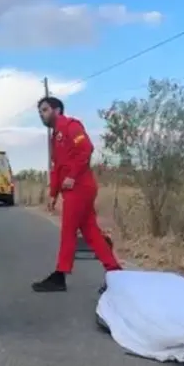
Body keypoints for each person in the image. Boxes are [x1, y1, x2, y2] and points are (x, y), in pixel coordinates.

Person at [32, 96, 121, 293]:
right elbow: (57, 168)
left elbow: (86, 149)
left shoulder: (71, 126)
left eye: (45, 110)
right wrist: (53, 194)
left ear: (57, 110)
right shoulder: (55, 137)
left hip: (81, 187)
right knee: (91, 232)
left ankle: (60, 275)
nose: (41, 114)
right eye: (40, 111)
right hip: (71, 190)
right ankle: (115, 272)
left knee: (68, 231)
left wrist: (72, 175)